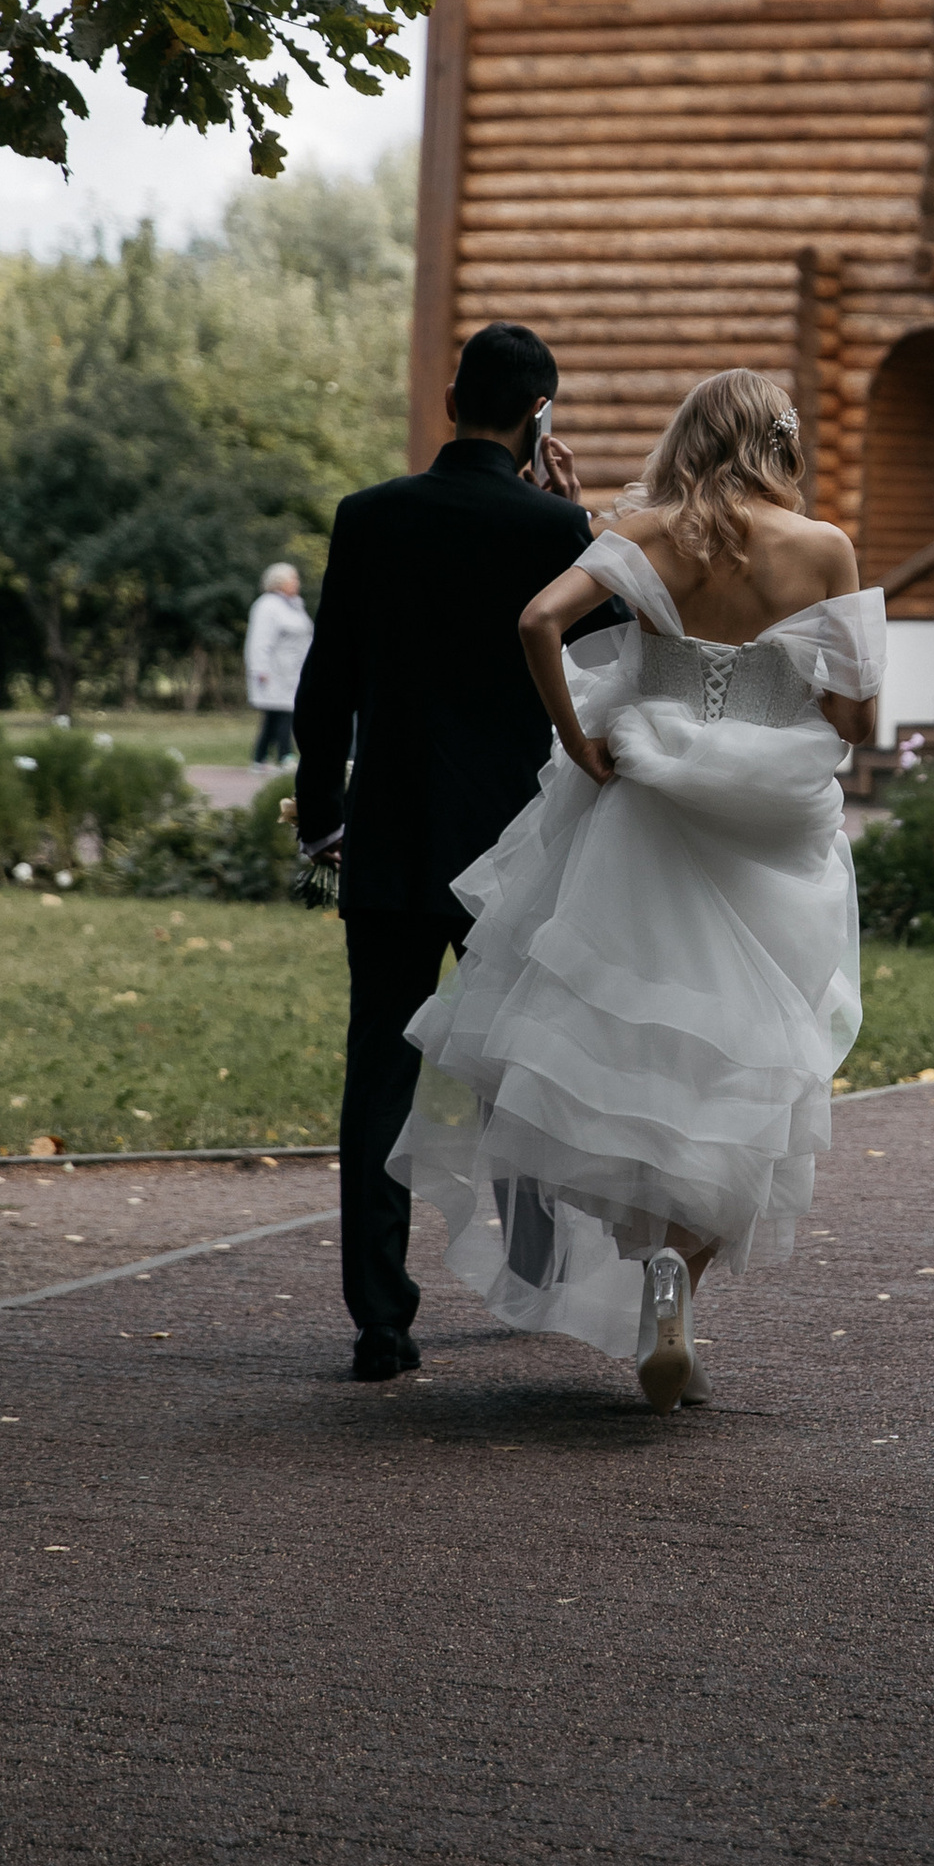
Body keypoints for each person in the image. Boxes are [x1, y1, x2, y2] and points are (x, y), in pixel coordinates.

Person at [394, 367, 883, 1412]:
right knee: (748, 1061)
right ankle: (678, 1277)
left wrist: (580, 740)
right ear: (778, 443)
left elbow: (538, 621)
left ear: (691, 438)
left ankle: (658, 1275)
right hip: (768, 837)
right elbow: (856, 719)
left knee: (637, 1052)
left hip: (644, 818)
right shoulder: (824, 548)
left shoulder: (648, 536)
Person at [291, 322, 600, 1383]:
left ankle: (379, 1320)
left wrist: (321, 817)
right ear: (539, 414)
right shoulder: (554, 529)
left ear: (452, 403)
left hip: (390, 833)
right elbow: (607, 665)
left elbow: (326, 683)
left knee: (378, 1071)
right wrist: (581, 526)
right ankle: (532, 1271)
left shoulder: (369, 515)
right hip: (513, 847)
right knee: (520, 1060)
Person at [243, 562, 313, 767]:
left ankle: (260, 757)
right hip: (274, 670)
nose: (297, 582)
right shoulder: (267, 606)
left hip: (292, 671)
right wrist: (260, 669)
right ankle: (284, 755)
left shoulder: (294, 605)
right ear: (279, 582)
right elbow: (259, 641)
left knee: (275, 714)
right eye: (293, 578)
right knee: (282, 713)